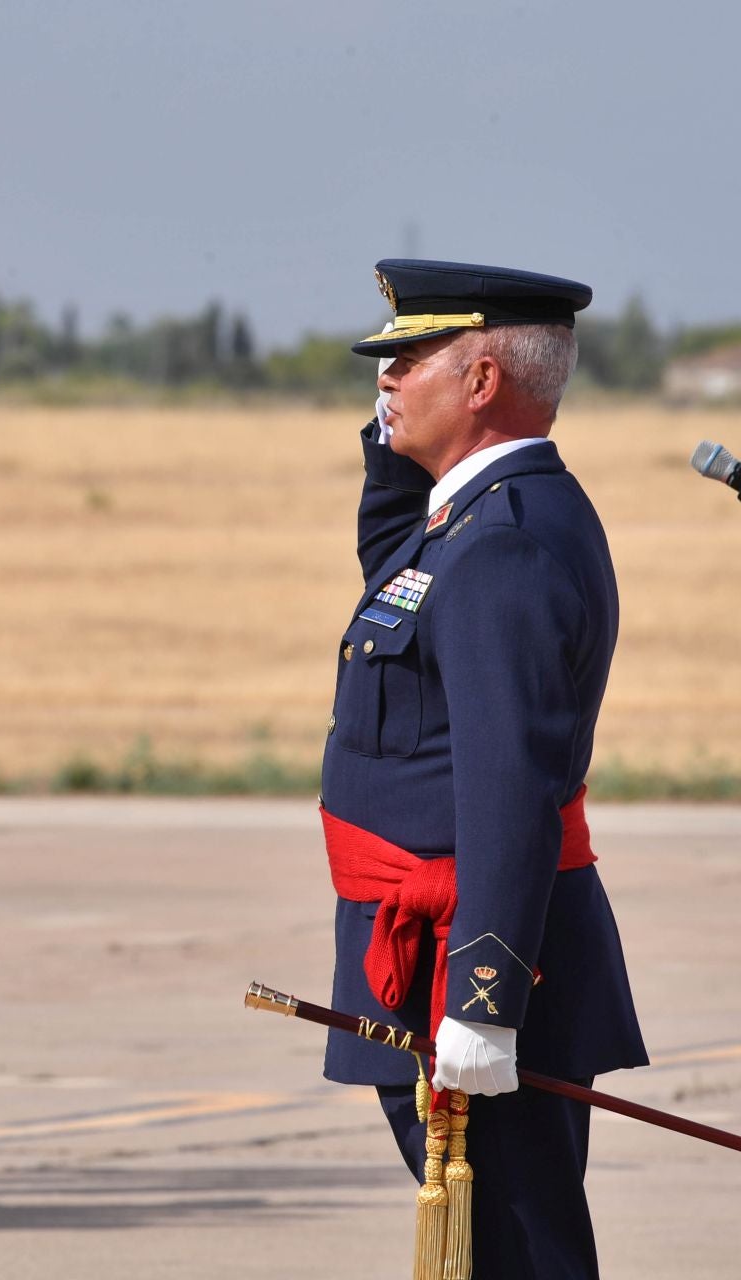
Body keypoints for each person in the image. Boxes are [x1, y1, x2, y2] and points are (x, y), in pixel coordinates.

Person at [322, 259, 646, 1278]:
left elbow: (509, 786)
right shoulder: (470, 520)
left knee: (518, 1241)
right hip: (427, 945)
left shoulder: (504, 542)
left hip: (470, 952)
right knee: (496, 1240)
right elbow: (394, 569)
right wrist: (392, 448)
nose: (383, 379)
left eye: (405, 361)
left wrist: (483, 998)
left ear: (481, 382)